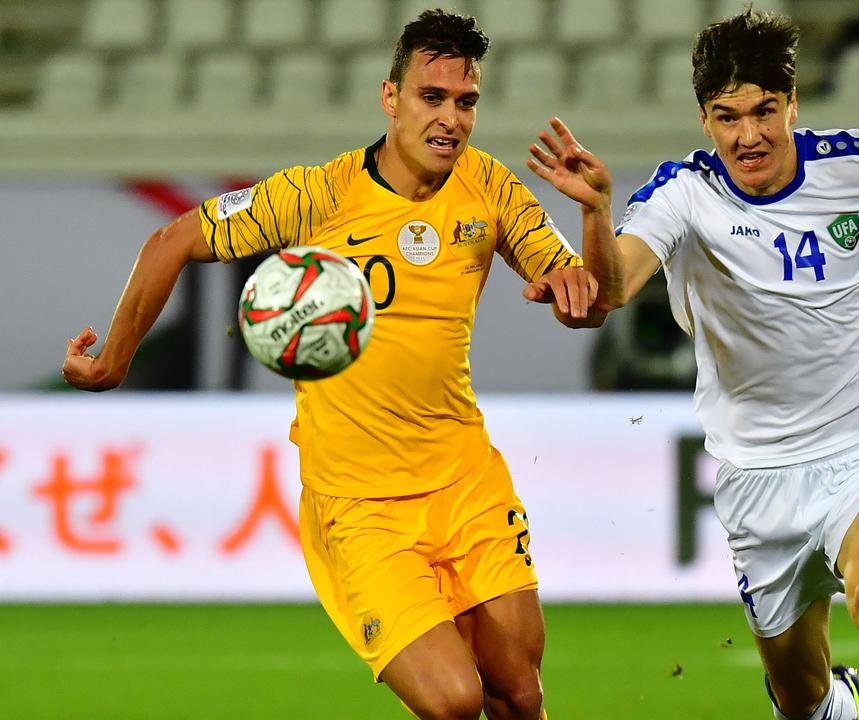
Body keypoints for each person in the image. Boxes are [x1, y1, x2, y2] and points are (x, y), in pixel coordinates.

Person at [526, 9, 859, 719]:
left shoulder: (855, 158)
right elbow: (612, 292)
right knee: (800, 697)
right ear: (704, 119)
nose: (747, 135)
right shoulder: (682, 194)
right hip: (759, 476)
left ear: (792, 105)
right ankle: (832, 702)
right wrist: (596, 213)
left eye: (764, 111)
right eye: (727, 117)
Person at [61, 10, 602, 720]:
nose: (450, 119)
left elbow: (585, 301)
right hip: (359, 505)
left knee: (520, 690)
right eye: (430, 98)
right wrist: (112, 365)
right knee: (454, 700)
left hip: (465, 478)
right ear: (390, 97)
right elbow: (172, 241)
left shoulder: (491, 189)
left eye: (465, 102)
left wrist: (593, 224)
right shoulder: (318, 195)